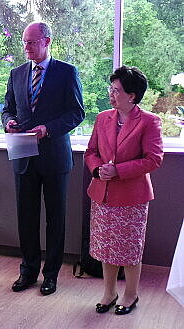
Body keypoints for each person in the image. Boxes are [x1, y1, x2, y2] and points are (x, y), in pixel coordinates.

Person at [1, 22, 85, 295]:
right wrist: (9, 121)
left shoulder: (66, 72)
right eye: (24, 42)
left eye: (32, 42)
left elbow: (76, 112)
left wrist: (48, 129)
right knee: (26, 217)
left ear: (47, 41)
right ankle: (28, 271)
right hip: (23, 155)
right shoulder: (16, 73)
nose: (26, 47)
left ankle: (51, 275)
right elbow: (7, 109)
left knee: (55, 219)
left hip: (54, 157)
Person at [85, 66, 163, 315]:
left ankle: (131, 294)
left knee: (129, 249)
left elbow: (154, 159)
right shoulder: (103, 117)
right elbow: (91, 153)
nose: (111, 93)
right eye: (112, 89)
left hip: (132, 197)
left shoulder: (150, 121)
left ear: (131, 95)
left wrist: (118, 170)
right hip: (103, 193)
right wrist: (98, 170)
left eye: (116, 90)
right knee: (106, 247)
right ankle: (109, 293)